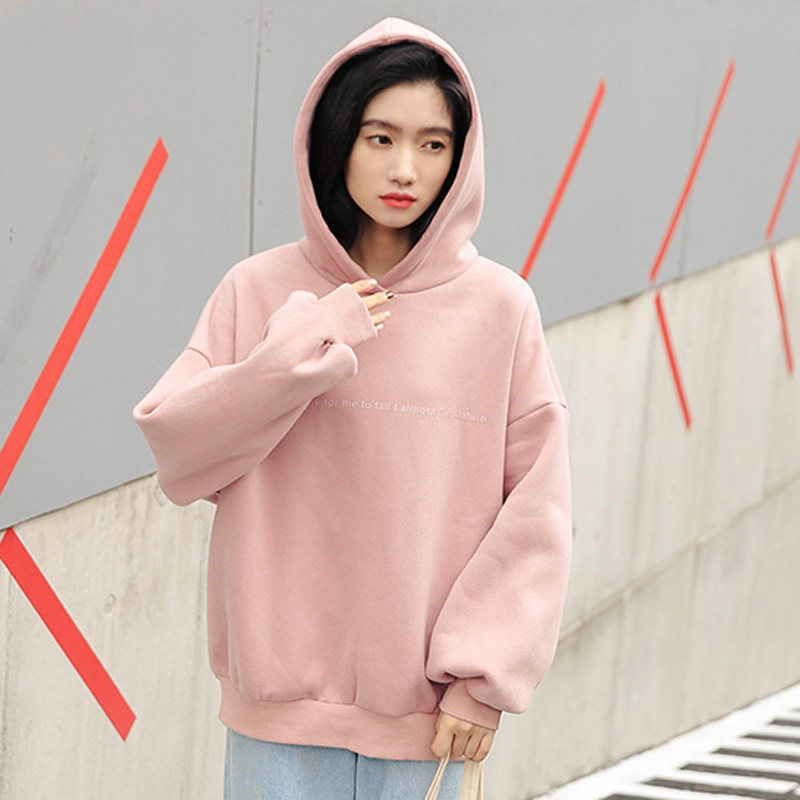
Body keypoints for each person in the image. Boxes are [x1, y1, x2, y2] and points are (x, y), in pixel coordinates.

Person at [132, 15, 573, 800]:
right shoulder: (258, 291)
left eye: (433, 144)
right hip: (277, 722)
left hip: (428, 720)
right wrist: (305, 345)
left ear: (461, 158)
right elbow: (179, 454)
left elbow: (538, 507)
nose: (405, 168)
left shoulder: (500, 308)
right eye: (380, 138)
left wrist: (482, 678)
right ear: (337, 141)